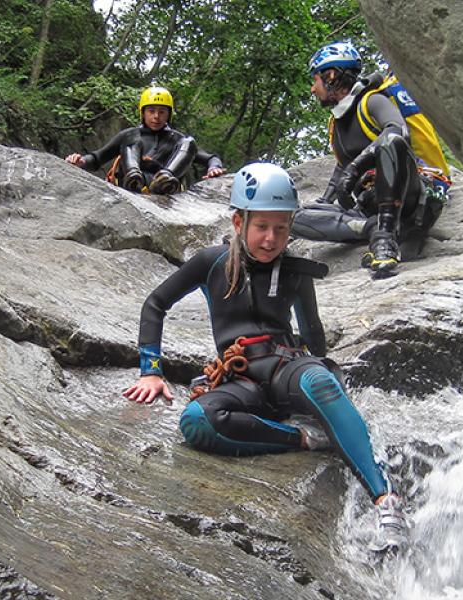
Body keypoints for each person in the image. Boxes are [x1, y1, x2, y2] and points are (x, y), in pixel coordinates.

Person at [122, 162, 407, 551]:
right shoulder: (211, 263)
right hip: (242, 381)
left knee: (319, 381)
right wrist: (150, 372)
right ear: (239, 222)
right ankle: (306, 439)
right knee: (197, 420)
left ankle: (385, 500)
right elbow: (156, 304)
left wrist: (328, 392)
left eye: (281, 228)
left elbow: (312, 334)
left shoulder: (296, 271)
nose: (272, 239)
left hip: (287, 368)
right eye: (262, 227)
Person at [291, 41, 452, 276]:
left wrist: (356, 168)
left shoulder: (372, 101)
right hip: (369, 207)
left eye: (315, 80)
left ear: (330, 75)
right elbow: (341, 167)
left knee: (391, 141)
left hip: (409, 197)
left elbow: (397, 131)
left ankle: (385, 240)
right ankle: (371, 229)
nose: (312, 89)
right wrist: (324, 202)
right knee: (288, 217)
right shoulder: (336, 123)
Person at [65, 86, 226, 194]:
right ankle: (133, 177)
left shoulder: (177, 140)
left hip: (163, 187)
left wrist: (214, 168)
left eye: (162, 112)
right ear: (143, 113)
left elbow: (211, 158)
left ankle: (165, 179)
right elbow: (97, 158)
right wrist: (80, 161)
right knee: (131, 137)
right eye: (151, 111)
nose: (156, 116)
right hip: (131, 183)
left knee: (189, 141)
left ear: (168, 115)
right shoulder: (130, 135)